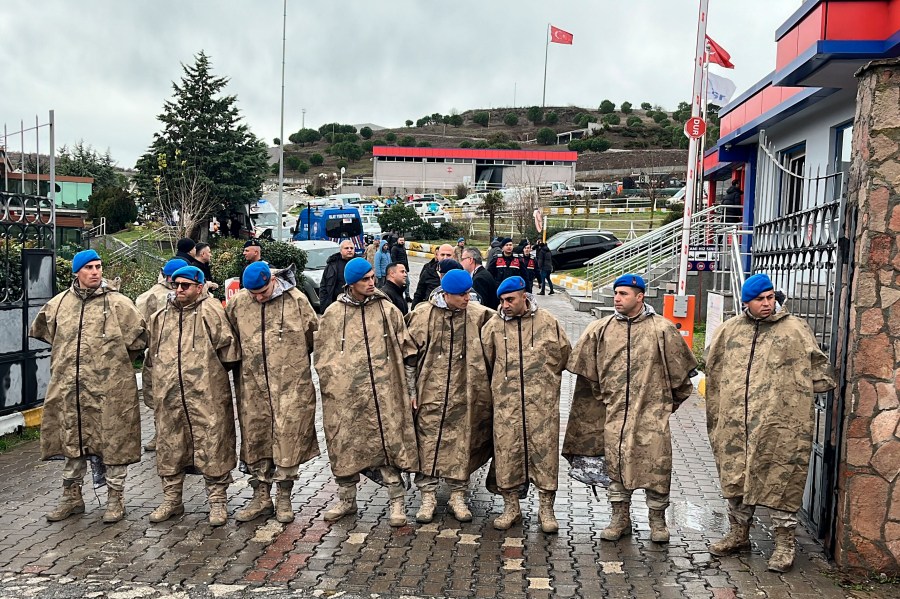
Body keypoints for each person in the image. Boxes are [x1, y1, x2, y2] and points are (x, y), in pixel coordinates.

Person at [705, 273, 835, 572]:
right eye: (760, 299)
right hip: (736, 423)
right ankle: (739, 535)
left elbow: (821, 372)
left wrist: (790, 394)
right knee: (736, 477)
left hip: (780, 424)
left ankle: (785, 545)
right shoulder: (729, 331)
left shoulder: (794, 329)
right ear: (746, 302)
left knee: (781, 478)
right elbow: (713, 368)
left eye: (770, 298)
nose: (767, 303)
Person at [564, 273, 697, 544]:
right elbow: (587, 378)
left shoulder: (662, 330)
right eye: (616, 293)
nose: (617, 298)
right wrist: (606, 400)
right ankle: (619, 518)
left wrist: (662, 407)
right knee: (616, 467)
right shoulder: (600, 330)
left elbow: (682, 380)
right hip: (614, 416)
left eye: (624, 294)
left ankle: (657, 521)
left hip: (651, 417)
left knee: (656, 467)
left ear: (640, 296)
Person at [29, 249, 148, 523]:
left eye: (99, 266)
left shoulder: (119, 304)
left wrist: (114, 365)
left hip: (110, 392)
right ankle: (72, 497)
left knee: (113, 443)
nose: (95, 272)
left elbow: (140, 339)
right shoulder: (58, 305)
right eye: (89, 267)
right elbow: (46, 333)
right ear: (77, 272)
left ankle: (115, 499)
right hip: (70, 391)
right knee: (71, 440)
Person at [315, 258, 419, 527]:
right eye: (365, 279)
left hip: (385, 395)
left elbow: (408, 350)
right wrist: (334, 386)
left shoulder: (387, 310)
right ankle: (347, 499)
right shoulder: (334, 314)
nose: (371, 283)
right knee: (345, 446)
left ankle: (397, 501)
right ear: (351, 283)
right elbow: (323, 357)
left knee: (389, 446)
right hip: (348, 398)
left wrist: (409, 388)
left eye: (373, 277)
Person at [145, 266, 241, 526]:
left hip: (206, 396)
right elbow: (152, 354)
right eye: (176, 284)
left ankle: (218, 501)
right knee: (170, 447)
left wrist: (208, 376)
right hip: (170, 396)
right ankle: (172, 499)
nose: (179, 289)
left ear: (200, 287)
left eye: (185, 285)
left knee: (213, 445)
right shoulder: (161, 316)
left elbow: (229, 351)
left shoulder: (212, 312)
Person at [226, 262, 319, 524]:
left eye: (262, 291)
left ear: (273, 281)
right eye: (252, 292)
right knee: (256, 439)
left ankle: (284, 496)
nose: (257, 297)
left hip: (290, 386)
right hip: (252, 386)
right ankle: (261, 495)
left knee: (288, 440)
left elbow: (313, 338)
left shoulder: (296, 301)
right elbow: (231, 339)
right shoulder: (239, 304)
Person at [481, 276, 571, 533]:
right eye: (501, 300)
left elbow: (564, 356)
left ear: (524, 296)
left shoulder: (548, 323)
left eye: (510, 299)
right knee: (507, 455)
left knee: (544, 457)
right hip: (507, 408)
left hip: (541, 408)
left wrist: (546, 385)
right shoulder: (494, 327)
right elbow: (485, 363)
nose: (505, 305)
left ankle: (546, 509)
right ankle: (511, 508)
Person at [405, 269, 493, 523]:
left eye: (469, 293)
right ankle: (428, 495)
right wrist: (411, 391)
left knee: (462, 442)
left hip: (464, 393)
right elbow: (409, 358)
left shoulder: (478, 315)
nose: (467, 298)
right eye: (462, 295)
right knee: (427, 442)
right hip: (429, 393)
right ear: (446, 294)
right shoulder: (423, 315)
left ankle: (457, 494)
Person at [135, 258, 188, 452]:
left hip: (166, 355)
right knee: (163, 398)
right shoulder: (154, 296)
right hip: (164, 355)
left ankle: (167, 436)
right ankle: (163, 435)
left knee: (164, 398)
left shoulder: (149, 296)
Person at [412, 244, 454, 308]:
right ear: (437, 256)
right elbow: (419, 294)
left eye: (448, 255)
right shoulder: (428, 271)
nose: (445, 257)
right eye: (442, 255)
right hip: (431, 312)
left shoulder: (459, 273)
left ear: (453, 256)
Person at [318, 239, 356, 312]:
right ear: (341, 250)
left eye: (351, 248)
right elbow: (323, 286)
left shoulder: (360, 264)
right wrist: (324, 305)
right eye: (346, 248)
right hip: (335, 305)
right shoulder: (332, 265)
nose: (349, 250)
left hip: (354, 305)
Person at [462, 247, 498, 311]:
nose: (461, 262)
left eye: (463, 259)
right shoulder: (483, 273)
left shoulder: (479, 279)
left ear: (470, 260)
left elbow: (479, 306)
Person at [390, 236, 412, 302]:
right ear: (397, 241)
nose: (402, 241)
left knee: (407, 282)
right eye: (400, 240)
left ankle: (407, 296)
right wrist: (396, 268)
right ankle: (399, 296)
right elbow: (393, 259)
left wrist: (407, 268)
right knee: (399, 283)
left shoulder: (403, 248)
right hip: (398, 269)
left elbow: (405, 259)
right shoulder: (394, 248)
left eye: (403, 240)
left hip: (404, 268)